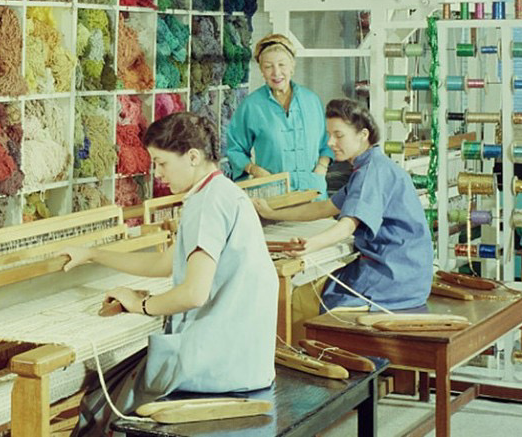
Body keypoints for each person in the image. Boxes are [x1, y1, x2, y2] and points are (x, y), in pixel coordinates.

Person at [61, 112, 279, 435]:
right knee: (117, 381)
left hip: (218, 368)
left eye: (162, 163)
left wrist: (141, 304)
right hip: (247, 358)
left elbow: (194, 293)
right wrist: (93, 254)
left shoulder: (206, 204)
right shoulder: (224, 193)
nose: (158, 174)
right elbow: (166, 263)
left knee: (98, 401)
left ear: (193, 157)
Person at [253, 98, 433, 343]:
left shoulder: (372, 172)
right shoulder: (369, 166)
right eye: (329, 135)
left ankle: (306, 360)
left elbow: (348, 224)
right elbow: (325, 207)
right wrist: (272, 213)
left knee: (303, 297)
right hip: (405, 272)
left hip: (394, 277)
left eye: (338, 135)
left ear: (363, 135)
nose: (330, 143)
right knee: (315, 288)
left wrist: (309, 246)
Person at [226, 33, 334, 199]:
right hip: (273, 196)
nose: (276, 73)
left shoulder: (312, 100)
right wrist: (254, 169)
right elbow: (235, 149)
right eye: (268, 66)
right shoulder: (251, 105)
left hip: (315, 193)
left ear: (292, 66)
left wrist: (322, 167)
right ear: (262, 70)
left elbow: (327, 143)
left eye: (282, 64)